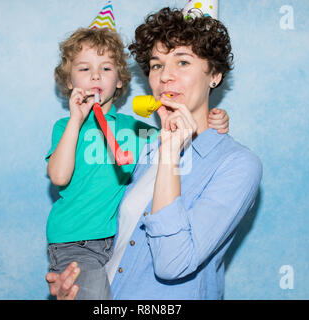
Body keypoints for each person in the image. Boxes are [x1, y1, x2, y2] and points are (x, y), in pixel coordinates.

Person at [46, 6, 262, 300]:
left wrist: (172, 153)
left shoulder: (237, 165)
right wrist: (76, 282)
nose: (165, 77)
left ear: (215, 74)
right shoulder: (142, 147)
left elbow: (173, 264)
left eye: (182, 62)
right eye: (157, 65)